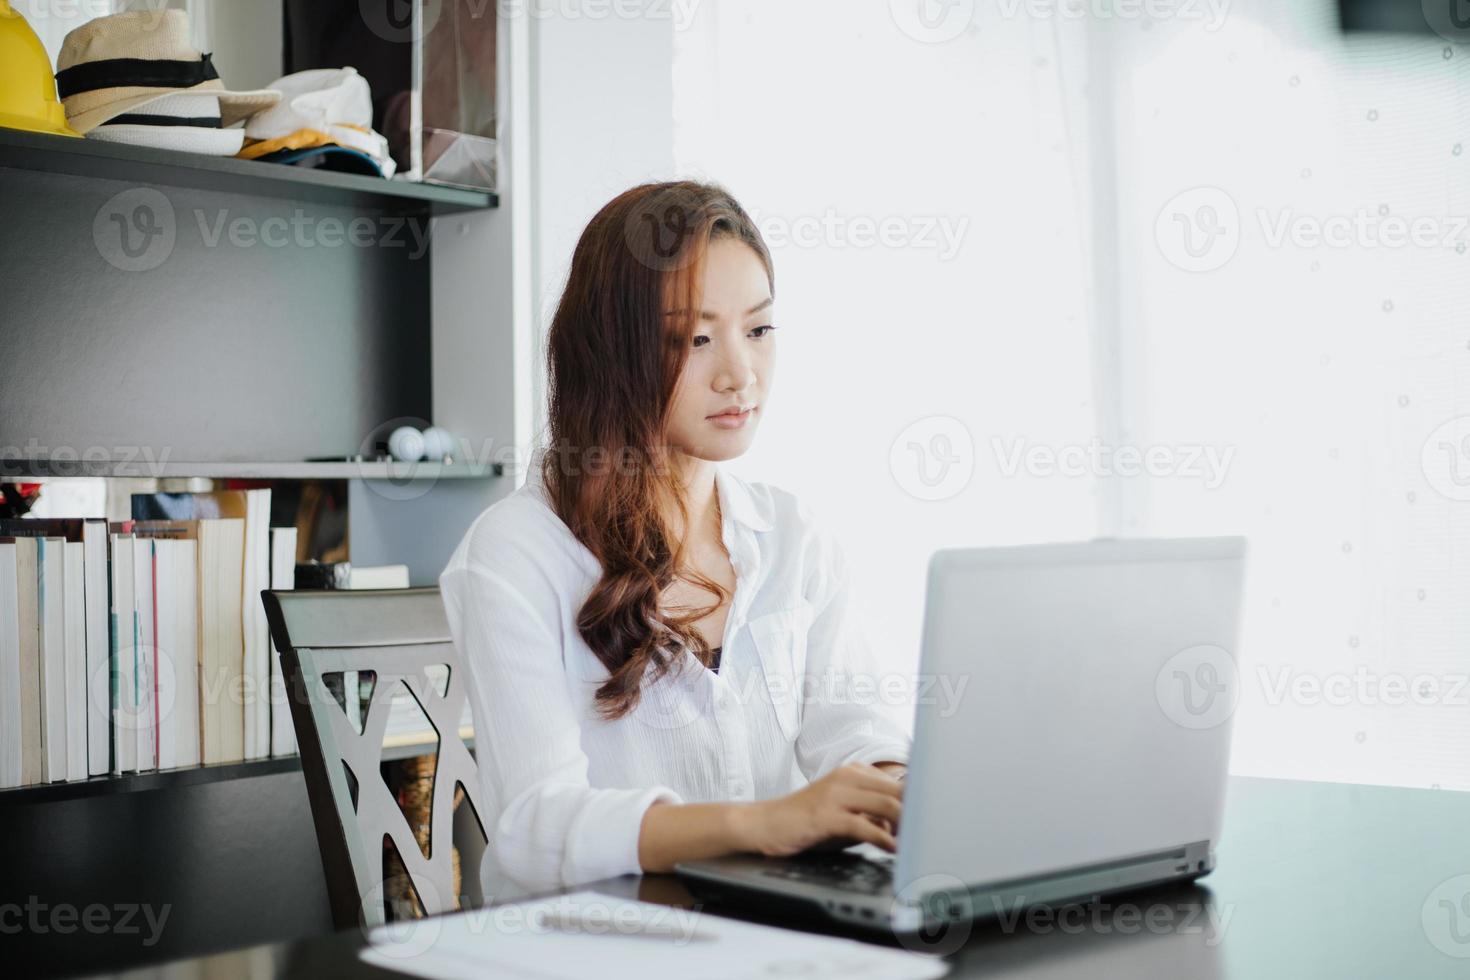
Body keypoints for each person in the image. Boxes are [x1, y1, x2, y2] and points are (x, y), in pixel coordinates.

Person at [440, 180, 911, 898]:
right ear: (613, 353)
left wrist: (894, 789)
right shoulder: (515, 553)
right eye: (695, 338)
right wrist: (760, 823)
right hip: (593, 952)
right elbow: (539, 825)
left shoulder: (793, 536)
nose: (739, 374)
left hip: (771, 942)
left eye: (757, 330)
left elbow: (857, 730)